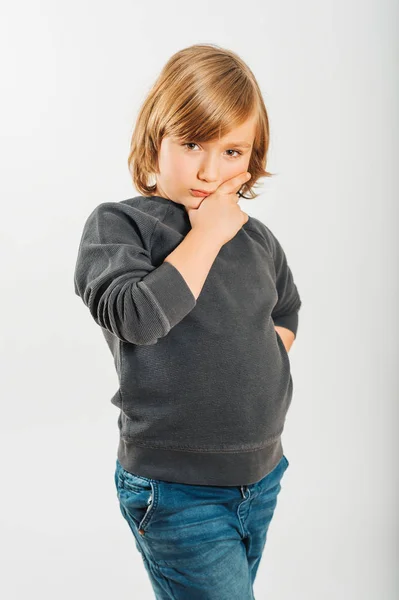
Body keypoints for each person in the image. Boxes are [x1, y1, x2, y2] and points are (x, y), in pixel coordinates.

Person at [74, 43, 302, 599]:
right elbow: (137, 318)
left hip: (261, 476)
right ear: (157, 141)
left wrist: (259, 361)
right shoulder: (121, 226)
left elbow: (286, 308)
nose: (208, 170)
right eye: (192, 143)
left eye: (231, 151)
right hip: (176, 489)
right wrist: (206, 234)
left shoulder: (257, 240)